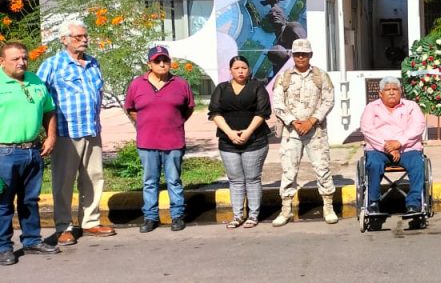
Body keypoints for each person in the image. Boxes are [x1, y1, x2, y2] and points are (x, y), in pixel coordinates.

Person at [37, 18, 117, 244]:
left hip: (91, 130)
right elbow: (42, 100)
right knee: (63, 182)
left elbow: (98, 94)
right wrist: (48, 133)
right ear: (64, 40)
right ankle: (64, 226)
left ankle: (90, 222)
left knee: (93, 178)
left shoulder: (93, 63)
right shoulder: (52, 65)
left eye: (85, 36)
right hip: (65, 133)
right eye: (78, 37)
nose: (84, 40)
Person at [0, 42, 59, 265]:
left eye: (24, 58)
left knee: (30, 200)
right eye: (15, 59)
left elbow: (49, 110)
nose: (22, 62)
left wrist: (51, 136)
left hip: (33, 151)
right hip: (4, 153)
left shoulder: (35, 80)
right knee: (3, 202)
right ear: (2, 61)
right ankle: (3, 247)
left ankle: (32, 240)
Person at [125, 45, 195, 233]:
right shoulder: (137, 84)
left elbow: (188, 108)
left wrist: (174, 122)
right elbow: (130, 108)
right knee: (150, 181)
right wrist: (146, 123)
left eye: (165, 60)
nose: (162, 64)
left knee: (174, 180)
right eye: (157, 61)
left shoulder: (180, 84)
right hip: (147, 142)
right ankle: (150, 217)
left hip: (173, 141)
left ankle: (177, 216)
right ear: (149, 64)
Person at [271, 38, 336, 227]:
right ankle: (285, 210)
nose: (301, 57)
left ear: (310, 55)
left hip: (315, 131)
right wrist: (293, 121)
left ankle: (328, 206)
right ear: (292, 55)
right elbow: (277, 103)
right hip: (291, 132)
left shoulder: (320, 76)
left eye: (304, 54)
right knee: (289, 171)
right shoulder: (284, 77)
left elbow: (328, 100)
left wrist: (312, 120)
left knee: (322, 168)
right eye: (297, 54)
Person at [209, 56, 272, 228]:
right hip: (228, 142)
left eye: (244, 67)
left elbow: (263, 112)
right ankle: (237, 215)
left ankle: (253, 215)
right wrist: (230, 133)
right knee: (235, 180)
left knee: (252, 178)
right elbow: (214, 112)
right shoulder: (221, 89)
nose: (240, 71)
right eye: (236, 68)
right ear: (230, 70)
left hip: (255, 140)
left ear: (249, 69)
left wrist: (247, 132)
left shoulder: (257, 87)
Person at [359, 77, 427, 213]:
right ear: (380, 93)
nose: (391, 92)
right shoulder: (371, 108)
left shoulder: (411, 106)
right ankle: (373, 202)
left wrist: (398, 143)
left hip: (407, 149)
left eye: (395, 89)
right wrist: (386, 146)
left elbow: (418, 126)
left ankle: (413, 204)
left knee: (417, 163)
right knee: (373, 164)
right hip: (378, 149)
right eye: (387, 90)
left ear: (400, 91)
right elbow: (367, 129)